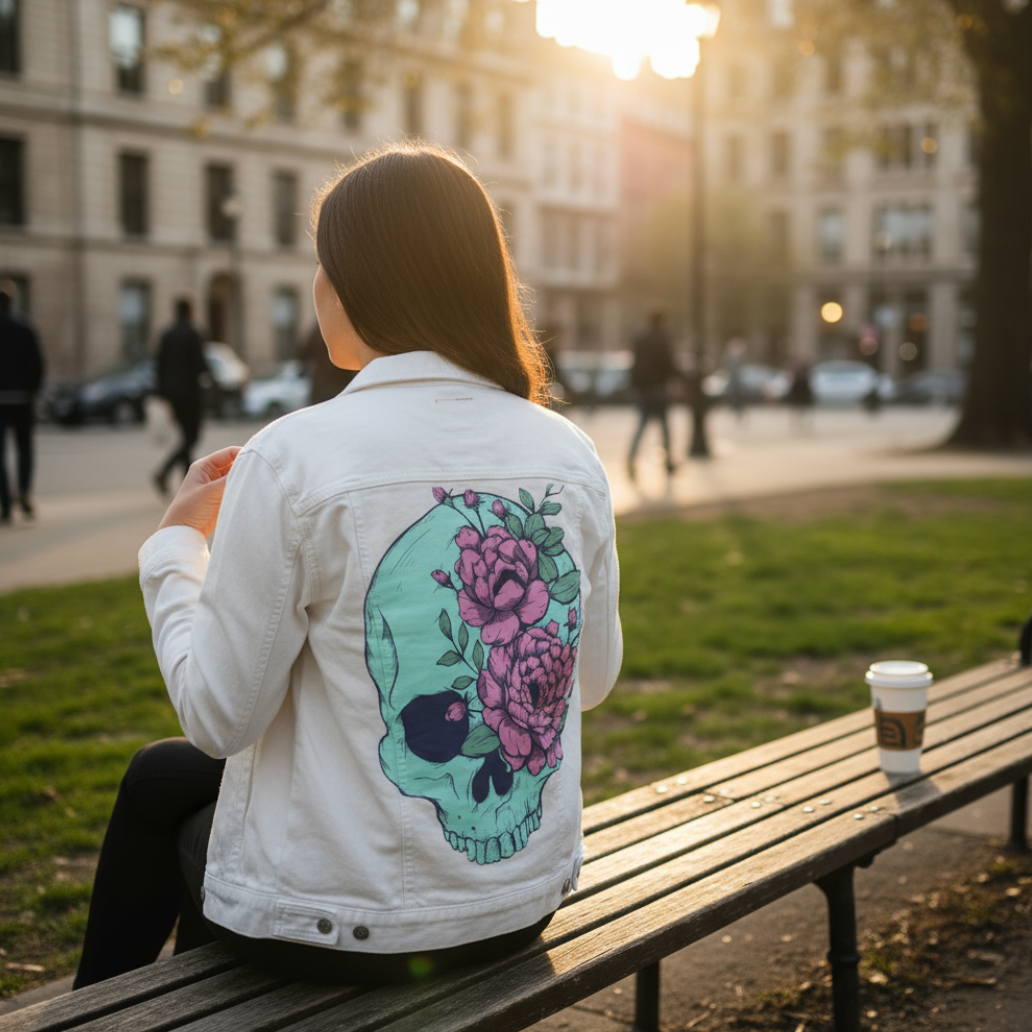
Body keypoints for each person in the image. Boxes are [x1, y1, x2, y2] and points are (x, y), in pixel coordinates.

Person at [74, 143, 623, 990]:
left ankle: (95, 1011)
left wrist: (179, 545)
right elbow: (591, 681)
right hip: (519, 904)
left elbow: (219, 718)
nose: (318, 287)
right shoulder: (569, 453)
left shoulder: (295, 456)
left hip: (351, 930)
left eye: (325, 265)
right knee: (164, 777)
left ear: (361, 283)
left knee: (174, 786)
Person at [153, 299, 210, 497]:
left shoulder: (167, 335)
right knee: (192, 437)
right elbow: (200, 364)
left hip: (172, 394)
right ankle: (164, 472)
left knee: (186, 436)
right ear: (189, 311)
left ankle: (188, 484)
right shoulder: (192, 333)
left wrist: (161, 393)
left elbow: (159, 365)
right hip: (190, 394)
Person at [0, 290, 44, 524]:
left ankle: (5, 504)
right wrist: (32, 392)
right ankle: (25, 492)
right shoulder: (24, 328)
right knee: (24, 449)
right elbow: (37, 364)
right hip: (22, 399)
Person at [627, 308, 678, 480]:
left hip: (643, 389)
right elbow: (668, 364)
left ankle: (631, 460)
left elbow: (633, 364)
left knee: (641, 426)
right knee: (664, 428)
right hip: (658, 388)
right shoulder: (662, 338)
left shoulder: (640, 338)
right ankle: (668, 462)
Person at [296, 322, 356, 405]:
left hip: (321, 384)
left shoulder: (318, 330)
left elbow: (302, 353)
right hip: (341, 384)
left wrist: (304, 369)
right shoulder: (345, 331)